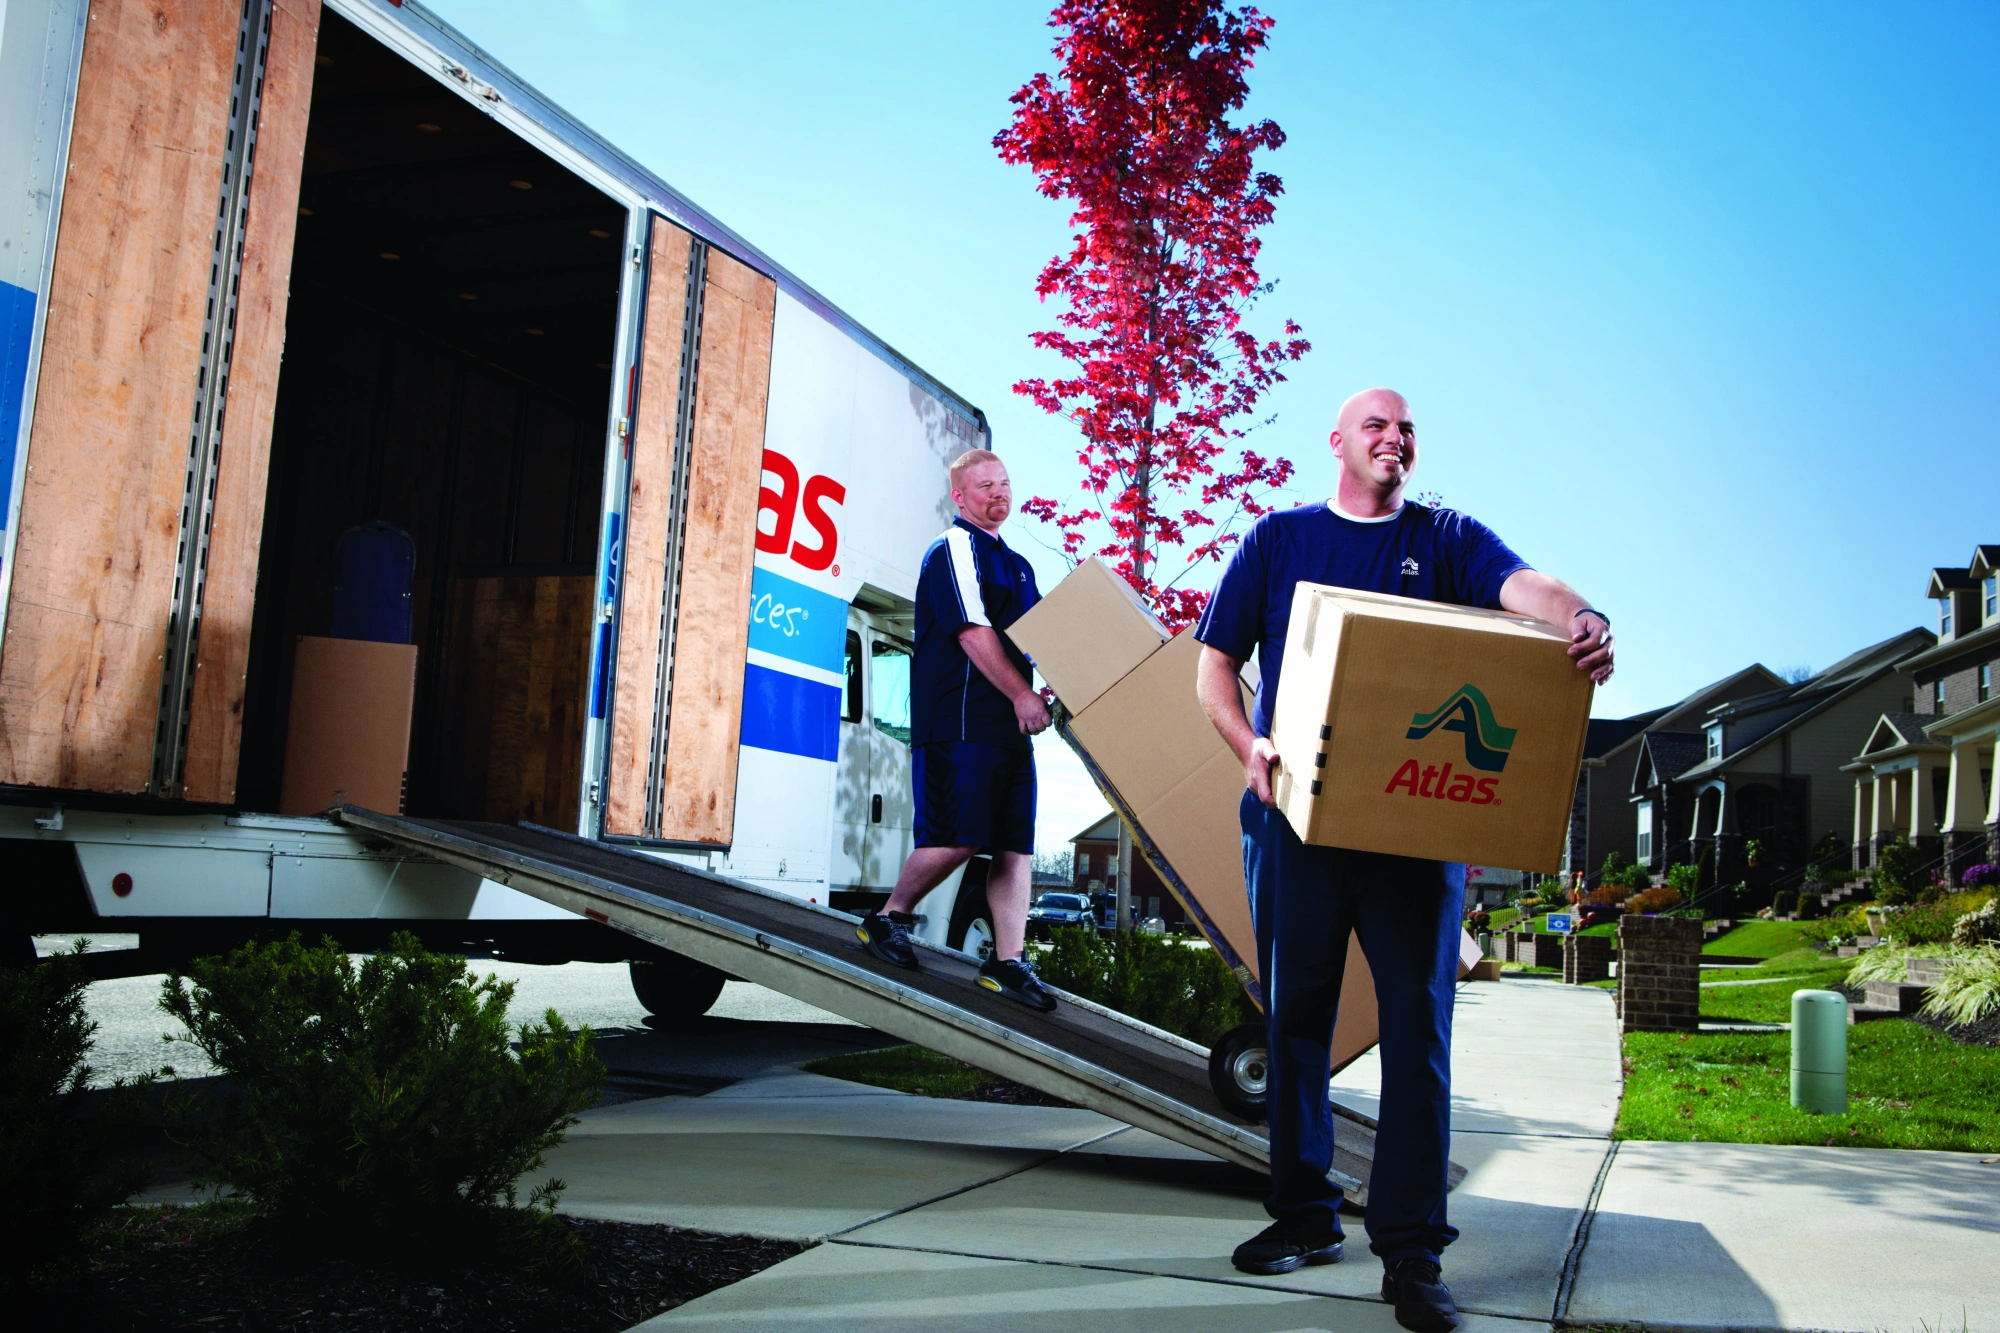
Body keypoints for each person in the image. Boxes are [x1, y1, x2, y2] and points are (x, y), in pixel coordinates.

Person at [1193, 388, 1614, 1332]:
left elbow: (1528, 588)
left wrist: (1581, 614)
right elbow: (1213, 663)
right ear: (1338, 441)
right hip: (1296, 826)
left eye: (1408, 428)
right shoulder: (1279, 540)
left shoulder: (1447, 539)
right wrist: (1247, 744)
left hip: (1415, 839)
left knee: (1419, 1032)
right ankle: (1304, 1214)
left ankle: (1414, 1251)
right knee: (1295, 1021)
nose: (1395, 439)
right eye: (1377, 426)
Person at [855, 448, 1058, 1012]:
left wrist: (1067, 686)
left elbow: (1042, 639)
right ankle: (886, 919)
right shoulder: (953, 549)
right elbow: (971, 631)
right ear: (960, 496)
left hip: (1009, 728)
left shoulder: (1019, 565)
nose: (999, 492)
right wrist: (1022, 694)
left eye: (1004, 482)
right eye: (985, 485)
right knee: (958, 836)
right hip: (960, 720)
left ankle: (1008, 962)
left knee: (1014, 848)